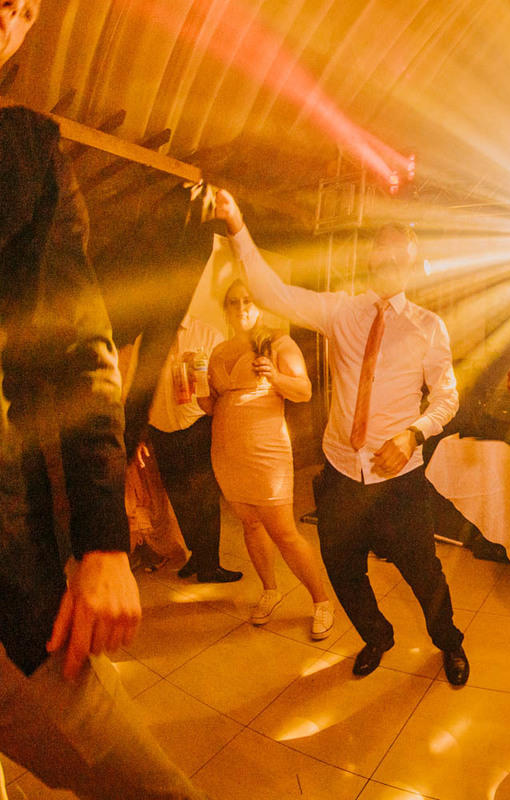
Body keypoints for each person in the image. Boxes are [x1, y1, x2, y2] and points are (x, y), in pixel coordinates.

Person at [0, 1, 207, 796]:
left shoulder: (22, 154)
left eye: (26, 7)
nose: (13, 12)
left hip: (9, 594)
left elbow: (77, 349)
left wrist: (102, 539)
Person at [214, 191, 469, 684]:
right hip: (341, 474)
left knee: (424, 574)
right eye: (382, 252)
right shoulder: (341, 311)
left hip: (399, 479)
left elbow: (447, 398)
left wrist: (413, 435)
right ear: (371, 256)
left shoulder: (428, 327)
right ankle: (376, 635)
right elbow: (271, 292)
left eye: (400, 257)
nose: (389, 262)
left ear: (412, 266)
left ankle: (449, 641)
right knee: (342, 567)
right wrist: (238, 226)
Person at [199, 281, 334, 639]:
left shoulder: (276, 342)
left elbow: (303, 391)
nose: (241, 307)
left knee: (284, 532)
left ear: (259, 305)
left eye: (248, 300)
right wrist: (198, 390)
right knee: (250, 525)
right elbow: (212, 406)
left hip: (266, 450)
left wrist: (274, 376)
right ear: (226, 309)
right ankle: (270, 590)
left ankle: (321, 601)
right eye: (234, 302)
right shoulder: (218, 351)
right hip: (226, 452)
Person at [145, 314, 242, 584]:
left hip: (196, 425)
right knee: (179, 498)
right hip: (160, 428)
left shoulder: (208, 335)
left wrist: (201, 371)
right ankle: (198, 555)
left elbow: (223, 383)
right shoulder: (147, 338)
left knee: (205, 497)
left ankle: (210, 565)